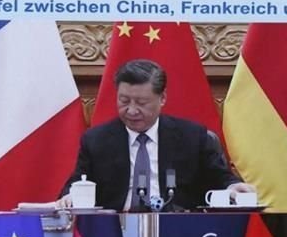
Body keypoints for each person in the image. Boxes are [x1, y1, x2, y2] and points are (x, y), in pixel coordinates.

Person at [56, 58, 254, 211]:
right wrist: (69, 197)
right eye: (124, 101)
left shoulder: (192, 137)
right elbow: (76, 184)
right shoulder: (96, 140)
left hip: (181, 231)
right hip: (115, 233)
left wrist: (233, 187)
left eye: (141, 103)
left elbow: (221, 178)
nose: (131, 111)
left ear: (163, 99)